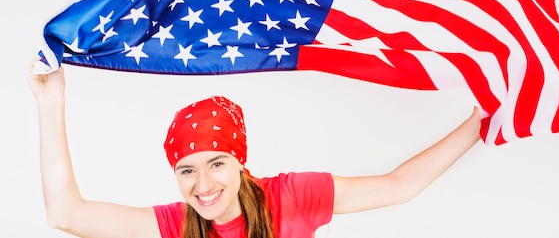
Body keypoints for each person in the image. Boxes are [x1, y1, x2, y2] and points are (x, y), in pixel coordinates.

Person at [27, 59, 481, 238]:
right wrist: (52, 102)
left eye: (216, 163)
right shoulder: (176, 225)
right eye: (187, 170)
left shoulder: (291, 198)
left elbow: (398, 186)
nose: (203, 185)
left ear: (239, 160)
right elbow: (66, 215)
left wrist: (482, 122)